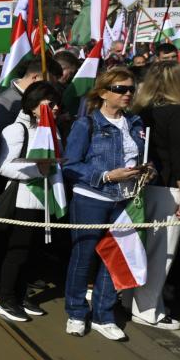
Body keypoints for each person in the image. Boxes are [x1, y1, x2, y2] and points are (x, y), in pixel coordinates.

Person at [62, 67, 147, 341]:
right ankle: (76, 312)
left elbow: (141, 156)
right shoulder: (86, 124)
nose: (127, 94)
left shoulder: (135, 122)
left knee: (116, 257)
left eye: (131, 89)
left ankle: (103, 314)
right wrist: (106, 176)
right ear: (103, 93)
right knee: (83, 257)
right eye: (120, 89)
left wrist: (148, 169)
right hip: (92, 199)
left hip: (125, 201)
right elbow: (70, 166)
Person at [128, 62, 180, 330]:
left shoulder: (142, 109)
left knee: (142, 248)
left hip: (145, 186)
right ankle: (146, 308)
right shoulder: (177, 112)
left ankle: (134, 300)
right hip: (169, 189)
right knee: (161, 252)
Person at [0, 82, 65, 323]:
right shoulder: (16, 130)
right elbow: (3, 166)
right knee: (17, 252)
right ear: (34, 106)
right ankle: (5, 298)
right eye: (50, 104)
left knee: (35, 252)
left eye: (57, 104)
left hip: (46, 201)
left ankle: (21, 294)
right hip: (24, 200)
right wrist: (37, 169)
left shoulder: (52, 130)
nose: (56, 108)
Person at [0, 54, 43, 131]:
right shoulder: (4, 102)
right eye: (45, 82)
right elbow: (0, 136)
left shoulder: (35, 97)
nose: (47, 86)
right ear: (35, 77)